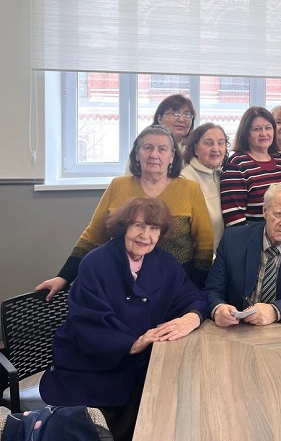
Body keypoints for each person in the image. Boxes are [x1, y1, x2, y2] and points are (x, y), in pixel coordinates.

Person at [40, 198, 207, 441]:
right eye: (139, 225)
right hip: (92, 361)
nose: (145, 235)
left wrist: (191, 318)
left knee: (178, 401)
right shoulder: (95, 263)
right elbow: (87, 322)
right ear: (124, 226)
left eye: (154, 228)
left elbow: (192, 297)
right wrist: (133, 343)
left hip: (141, 361)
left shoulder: (165, 263)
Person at [36, 125, 214, 296]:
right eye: (148, 148)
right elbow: (93, 236)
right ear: (137, 154)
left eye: (162, 149)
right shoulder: (118, 186)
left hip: (175, 282)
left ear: (172, 156)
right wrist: (64, 277)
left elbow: (204, 244)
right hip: (122, 281)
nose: (154, 154)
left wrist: (196, 289)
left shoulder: (190, 189)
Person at [205, 182, 281, 326]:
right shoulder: (233, 239)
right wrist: (218, 308)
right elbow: (212, 290)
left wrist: (275, 311)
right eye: (279, 214)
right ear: (265, 211)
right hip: (237, 327)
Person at [220, 106, 281, 227]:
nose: (264, 133)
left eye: (268, 128)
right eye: (257, 129)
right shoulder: (237, 164)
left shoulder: (279, 161)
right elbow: (233, 216)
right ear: (246, 133)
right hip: (253, 236)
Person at [181, 123, 228, 250]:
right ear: (196, 149)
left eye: (221, 143)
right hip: (199, 256)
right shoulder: (185, 180)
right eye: (208, 143)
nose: (216, 148)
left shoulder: (222, 175)